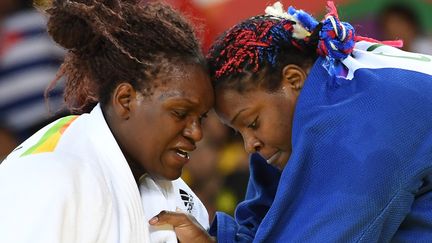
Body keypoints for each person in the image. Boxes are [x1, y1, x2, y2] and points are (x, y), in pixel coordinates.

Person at [150, 1, 432, 242]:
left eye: (252, 122)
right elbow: (265, 224)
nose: (250, 145)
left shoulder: (362, 118)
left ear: (293, 80)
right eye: (238, 132)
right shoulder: (330, 86)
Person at [0, 0, 214, 242]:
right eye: (180, 113)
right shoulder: (51, 175)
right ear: (125, 100)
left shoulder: (179, 197)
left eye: (201, 117)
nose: (197, 133)